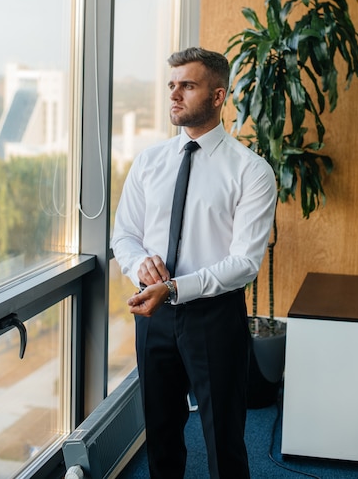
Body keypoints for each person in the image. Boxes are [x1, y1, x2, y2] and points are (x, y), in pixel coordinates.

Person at [112, 47, 276, 479]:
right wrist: (139, 266)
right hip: (153, 314)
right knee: (161, 436)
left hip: (215, 318)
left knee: (224, 440)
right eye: (172, 85)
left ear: (218, 95)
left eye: (188, 85)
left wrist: (177, 287)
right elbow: (124, 234)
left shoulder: (251, 171)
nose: (175, 95)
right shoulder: (149, 162)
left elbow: (245, 262)